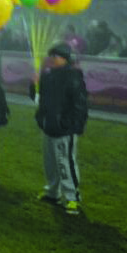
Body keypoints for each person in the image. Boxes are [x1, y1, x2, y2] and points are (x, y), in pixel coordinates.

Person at [35, 43, 88, 215]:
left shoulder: (73, 77)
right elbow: (42, 99)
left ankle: (72, 198)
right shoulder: (49, 76)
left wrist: (73, 125)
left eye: (55, 56)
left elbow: (80, 104)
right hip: (49, 126)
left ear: (64, 58)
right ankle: (52, 192)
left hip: (64, 129)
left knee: (65, 163)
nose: (52, 59)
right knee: (50, 163)